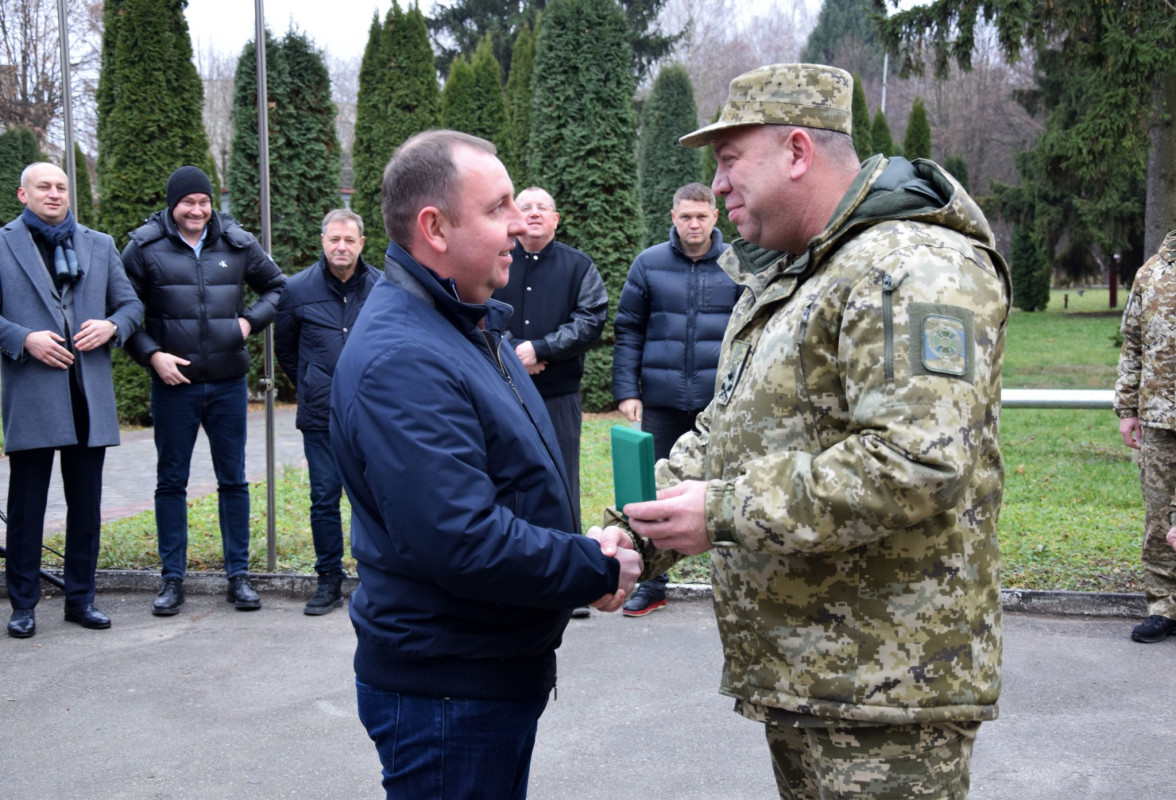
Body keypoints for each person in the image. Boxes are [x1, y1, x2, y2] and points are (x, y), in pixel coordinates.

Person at [599, 63, 1010, 799]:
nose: (716, 187)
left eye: (729, 162)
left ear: (796, 151)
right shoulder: (803, 274)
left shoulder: (912, 268)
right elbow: (725, 433)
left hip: (888, 692)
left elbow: (916, 460)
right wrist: (629, 534)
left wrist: (721, 511)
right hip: (817, 678)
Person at [329, 130, 641, 800]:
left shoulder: (464, 325)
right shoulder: (404, 357)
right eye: (498, 207)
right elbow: (463, 540)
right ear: (434, 228)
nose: (517, 222)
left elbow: (506, 488)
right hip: (448, 691)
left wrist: (578, 544)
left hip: (480, 671)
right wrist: (595, 567)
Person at [122, 165, 285, 616]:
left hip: (229, 384)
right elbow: (120, 309)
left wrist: (250, 321)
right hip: (174, 387)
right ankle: (172, 580)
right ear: (173, 204)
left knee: (233, 480)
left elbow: (277, 287)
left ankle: (239, 577)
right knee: (171, 482)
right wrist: (152, 354)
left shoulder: (237, 243)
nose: (197, 210)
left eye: (203, 201)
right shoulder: (142, 248)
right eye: (188, 202)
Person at [1, 162, 142, 638]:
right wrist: (23, 339)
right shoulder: (3, 243)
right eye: (44, 186)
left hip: (89, 395)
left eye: (62, 186)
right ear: (23, 194)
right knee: (27, 509)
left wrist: (112, 326)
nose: (55, 193)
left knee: (86, 507)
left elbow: (132, 305)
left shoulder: (98, 244)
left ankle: (81, 599)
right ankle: (23, 605)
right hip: (34, 393)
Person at [612, 181, 739, 616]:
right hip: (663, 401)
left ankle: (733, 578)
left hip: (719, 403)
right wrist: (627, 390)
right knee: (654, 489)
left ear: (715, 217)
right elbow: (628, 329)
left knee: (729, 488)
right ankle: (653, 582)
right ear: (673, 217)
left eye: (701, 216)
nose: (693, 224)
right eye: (685, 216)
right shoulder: (648, 264)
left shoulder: (737, 264)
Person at [275, 208, 380, 616]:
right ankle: (328, 582)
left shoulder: (383, 288)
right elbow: (286, 349)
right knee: (323, 499)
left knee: (373, 499)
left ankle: (376, 579)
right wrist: (312, 380)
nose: (341, 247)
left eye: (349, 240)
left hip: (373, 414)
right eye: (334, 239)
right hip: (321, 416)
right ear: (323, 241)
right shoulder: (296, 289)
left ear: (361, 244)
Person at [491, 186, 608, 536]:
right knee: (505, 479)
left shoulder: (579, 266)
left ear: (555, 219)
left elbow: (592, 319)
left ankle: (566, 563)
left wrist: (542, 349)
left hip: (559, 397)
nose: (534, 212)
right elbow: (479, 312)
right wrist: (514, 354)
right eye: (525, 206)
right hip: (503, 395)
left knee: (561, 481)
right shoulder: (495, 260)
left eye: (543, 207)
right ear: (514, 216)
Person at [1115, 229, 1176, 643]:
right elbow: (1132, 345)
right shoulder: (1151, 273)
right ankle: (1162, 605)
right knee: (1159, 517)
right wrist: (1127, 409)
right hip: (1158, 418)